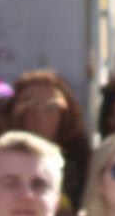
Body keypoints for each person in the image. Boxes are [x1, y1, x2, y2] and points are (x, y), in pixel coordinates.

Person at [9, 68, 95, 204]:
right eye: (29, 106)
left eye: (50, 107)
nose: (39, 114)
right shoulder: (1, 161)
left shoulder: (84, 164)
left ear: (66, 115)